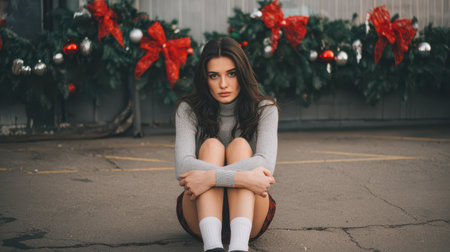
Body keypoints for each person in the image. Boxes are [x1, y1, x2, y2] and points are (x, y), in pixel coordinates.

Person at [174, 37, 279, 252]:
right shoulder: (188, 109)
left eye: (231, 74)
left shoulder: (265, 108)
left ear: (242, 73)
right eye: (214, 76)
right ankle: (212, 246)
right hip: (199, 214)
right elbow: (183, 168)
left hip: (250, 215)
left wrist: (210, 177)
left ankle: (239, 246)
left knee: (240, 146)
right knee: (211, 146)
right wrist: (243, 178)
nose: (223, 84)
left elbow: (266, 165)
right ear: (205, 79)